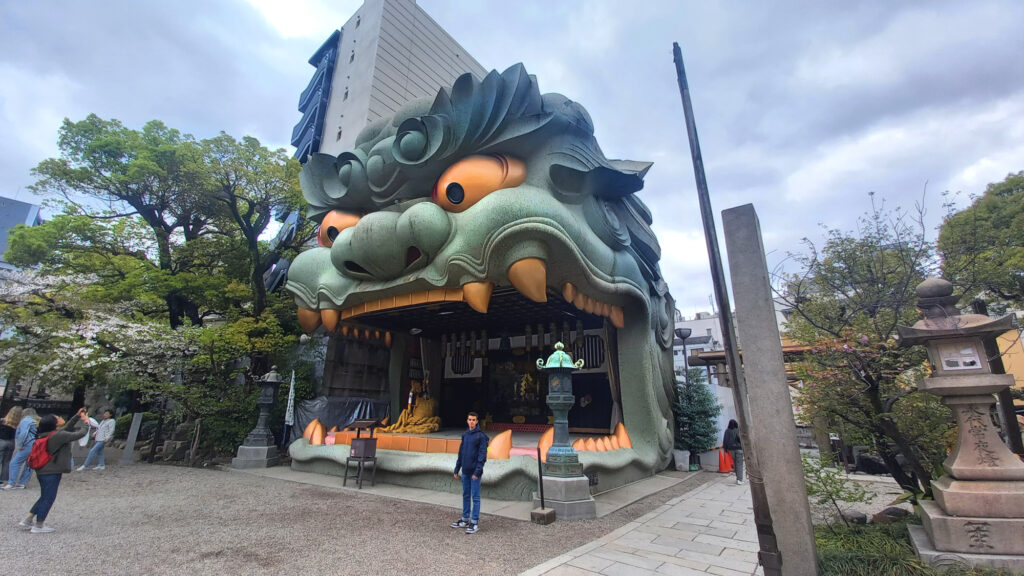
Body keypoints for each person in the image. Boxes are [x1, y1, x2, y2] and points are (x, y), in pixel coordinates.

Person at [18, 409, 89, 534]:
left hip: (42, 470)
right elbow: (80, 433)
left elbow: (67, 427)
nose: (60, 418)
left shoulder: (48, 434)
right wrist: (86, 422)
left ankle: (28, 519)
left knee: (44, 496)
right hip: (51, 471)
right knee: (48, 498)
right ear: (55, 424)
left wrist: (77, 416)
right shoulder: (58, 436)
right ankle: (39, 525)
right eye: (57, 418)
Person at [450, 411, 488, 534]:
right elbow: (461, 453)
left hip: (474, 473)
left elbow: (482, 456)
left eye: (473, 420)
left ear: (477, 421)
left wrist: (477, 472)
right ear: (467, 421)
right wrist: (457, 468)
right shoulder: (465, 435)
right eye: (469, 419)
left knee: (475, 497)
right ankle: (465, 519)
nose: (471, 422)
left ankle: (475, 521)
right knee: (466, 495)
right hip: (465, 471)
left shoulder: (481, 436)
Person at [2, 408, 39, 490]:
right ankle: (22, 483)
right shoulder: (37, 421)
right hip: (36, 444)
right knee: (29, 464)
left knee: (14, 463)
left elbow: (23, 433)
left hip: (28, 444)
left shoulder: (26, 420)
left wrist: (20, 444)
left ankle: (11, 483)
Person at [0, 407, 22, 484]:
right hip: (11, 442)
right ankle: (3, 479)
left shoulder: (2, 421)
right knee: (6, 461)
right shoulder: (18, 423)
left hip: (2, 441)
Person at [723, 419, 745, 485]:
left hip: (731, 449)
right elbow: (741, 439)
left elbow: (725, 440)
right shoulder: (738, 430)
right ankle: (739, 479)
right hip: (739, 449)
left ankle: (737, 477)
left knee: (735, 462)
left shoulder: (727, 431)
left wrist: (725, 449)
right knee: (739, 464)